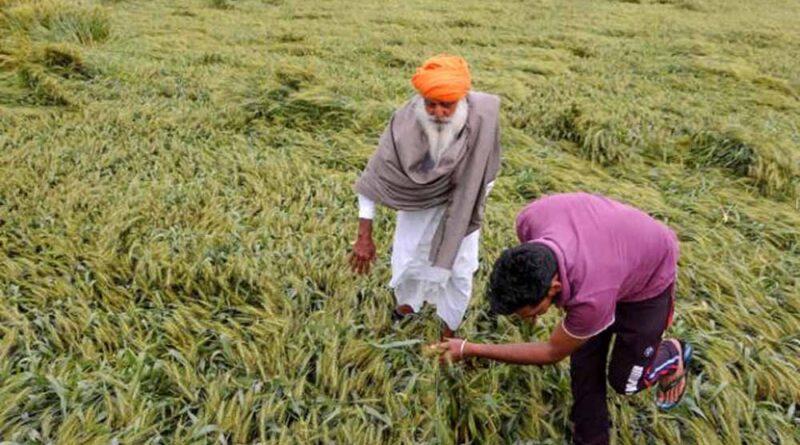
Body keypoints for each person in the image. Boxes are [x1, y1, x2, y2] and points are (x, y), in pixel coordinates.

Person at [431, 192, 693, 445]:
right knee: (584, 362)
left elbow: (551, 352)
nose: (532, 317)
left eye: (534, 312)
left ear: (554, 287)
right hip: (611, 254)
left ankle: (673, 354)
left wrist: (469, 349)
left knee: (625, 382)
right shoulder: (529, 220)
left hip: (650, 273)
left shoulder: (590, 299)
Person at [351, 54, 501, 338]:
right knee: (409, 260)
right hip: (416, 212)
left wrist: (468, 198)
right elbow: (373, 177)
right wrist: (364, 236)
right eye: (431, 104)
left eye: (447, 105)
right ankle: (406, 308)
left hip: (463, 208)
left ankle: (449, 331)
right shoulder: (404, 124)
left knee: (460, 269)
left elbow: (487, 170)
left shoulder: (483, 119)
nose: (438, 113)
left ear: (462, 99)